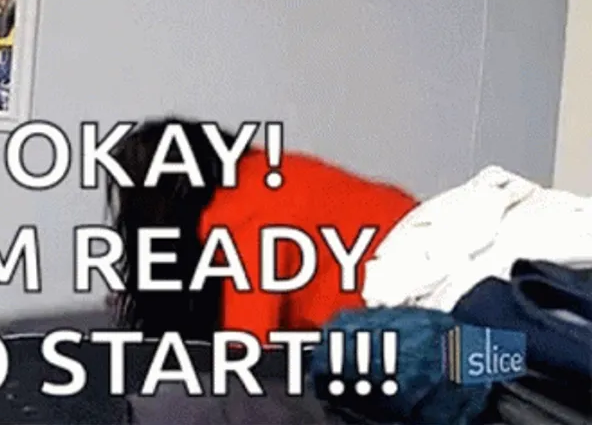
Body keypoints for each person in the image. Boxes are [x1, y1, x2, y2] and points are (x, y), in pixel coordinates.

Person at [106, 117, 419, 343]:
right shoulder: (266, 171)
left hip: (416, 302)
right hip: (425, 248)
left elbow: (247, 359)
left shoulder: (243, 216)